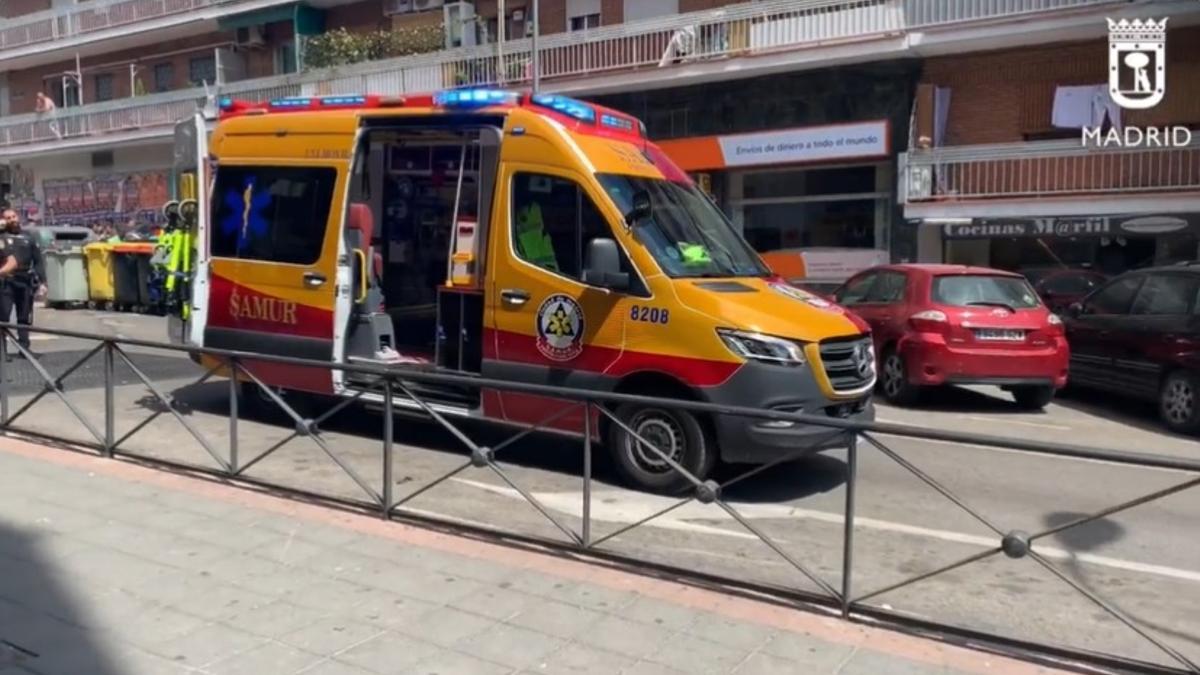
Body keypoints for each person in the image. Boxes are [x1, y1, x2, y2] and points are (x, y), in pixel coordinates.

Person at [0, 209, 46, 358]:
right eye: (8, 218)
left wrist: (43, 282)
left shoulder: (28, 237)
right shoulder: (1, 236)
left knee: (24, 317)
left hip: (24, 280)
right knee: (3, 317)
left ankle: (24, 349)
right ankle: (2, 352)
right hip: (6, 281)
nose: (12, 219)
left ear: (18, 217)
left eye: (13, 216)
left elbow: (38, 261)